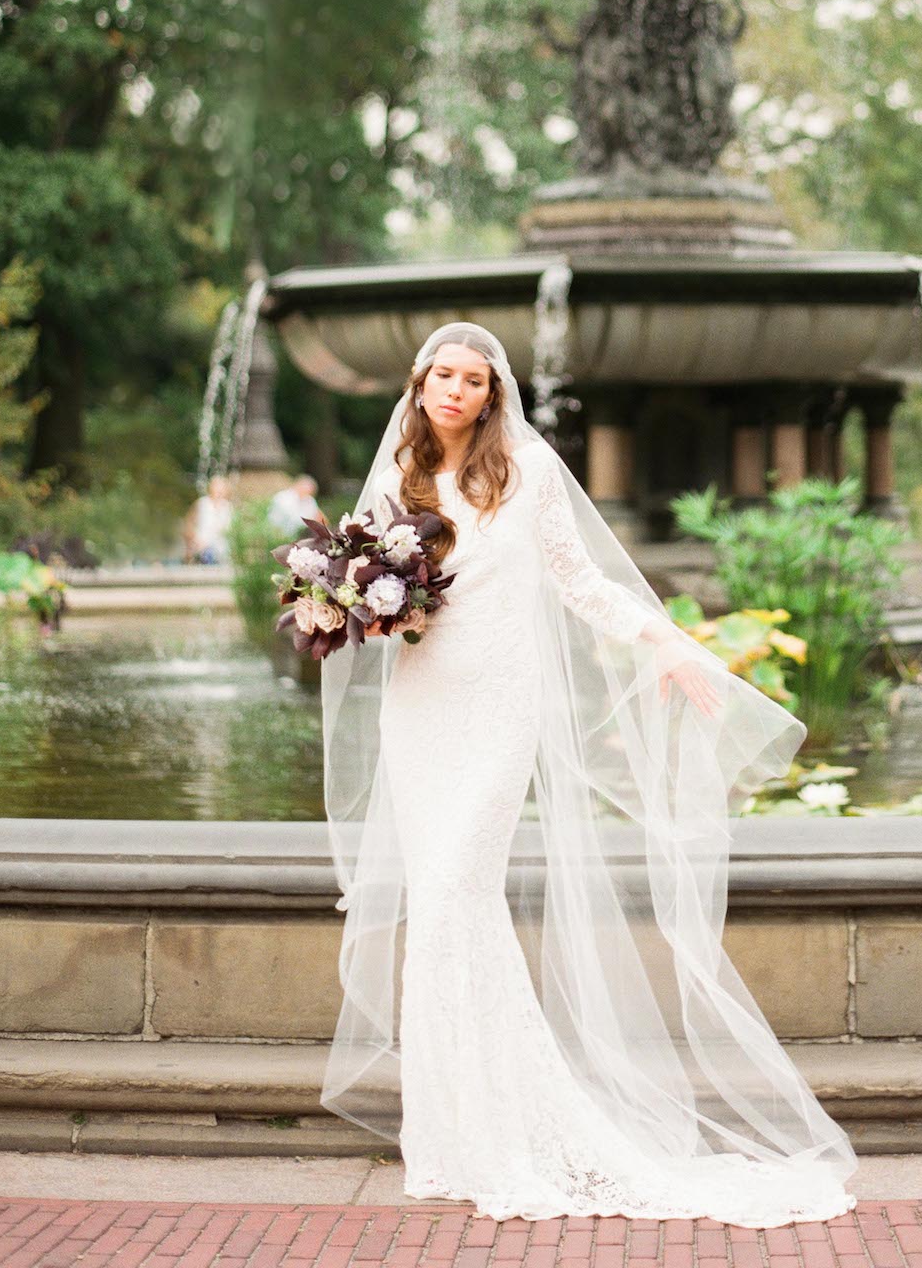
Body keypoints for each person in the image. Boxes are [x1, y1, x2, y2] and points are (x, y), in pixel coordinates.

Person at [319, 320, 857, 1226]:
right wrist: (361, 611)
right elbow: (370, 597)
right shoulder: (399, 478)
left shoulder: (521, 474)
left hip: (496, 709)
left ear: (493, 396)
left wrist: (674, 648)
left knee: (458, 888)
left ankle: (509, 1128)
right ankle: (451, 1135)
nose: (454, 390)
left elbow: (582, 582)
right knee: (446, 911)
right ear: (419, 384)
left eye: (473, 380)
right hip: (420, 708)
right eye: (441, 375)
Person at [184, 474, 233, 565]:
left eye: (222, 489)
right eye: (217, 488)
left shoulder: (228, 507)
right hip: (202, 547)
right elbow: (189, 524)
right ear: (210, 488)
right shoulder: (202, 504)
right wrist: (194, 542)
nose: (219, 492)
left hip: (223, 551)